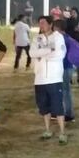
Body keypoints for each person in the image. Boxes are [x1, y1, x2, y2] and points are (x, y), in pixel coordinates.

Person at [31, 16, 68, 144]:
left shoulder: (58, 37)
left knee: (58, 107)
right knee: (44, 107)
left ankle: (62, 132)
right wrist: (48, 50)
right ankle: (47, 130)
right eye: (39, 23)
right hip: (40, 78)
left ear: (51, 24)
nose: (41, 25)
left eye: (43, 23)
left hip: (54, 78)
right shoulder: (37, 39)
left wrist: (42, 53)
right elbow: (32, 53)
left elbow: (59, 54)